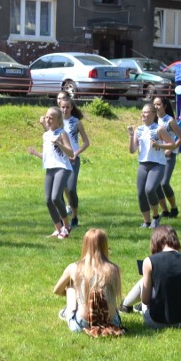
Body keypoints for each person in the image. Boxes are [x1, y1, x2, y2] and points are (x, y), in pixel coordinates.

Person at [120, 225, 181, 329]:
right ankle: (125, 304)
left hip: (157, 322)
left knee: (144, 281)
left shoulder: (150, 261)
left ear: (156, 241)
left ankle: (125, 305)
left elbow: (145, 300)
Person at [54, 228, 123, 335]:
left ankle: (69, 311)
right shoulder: (114, 269)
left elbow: (57, 290)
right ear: (104, 245)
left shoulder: (74, 268)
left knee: (71, 284)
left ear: (85, 245)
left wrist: (77, 294)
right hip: (113, 322)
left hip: (82, 325)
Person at [28, 107, 76, 239]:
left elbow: (71, 153)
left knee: (56, 197)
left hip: (62, 168)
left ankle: (67, 227)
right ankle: (58, 229)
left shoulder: (62, 134)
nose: (48, 120)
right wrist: (35, 153)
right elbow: (48, 155)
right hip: (50, 168)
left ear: (58, 120)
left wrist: (60, 144)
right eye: (47, 117)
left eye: (51, 118)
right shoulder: (46, 135)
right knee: (48, 200)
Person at [128, 104, 175, 228]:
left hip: (158, 164)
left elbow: (172, 144)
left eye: (145, 112)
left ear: (153, 114)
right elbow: (132, 150)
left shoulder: (159, 129)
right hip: (143, 164)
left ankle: (155, 216)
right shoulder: (139, 130)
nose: (142, 114)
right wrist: (131, 136)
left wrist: (159, 146)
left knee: (149, 189)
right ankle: (147, 221)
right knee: (140, 194)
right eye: (142, 112)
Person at [58, 98, 90, 229]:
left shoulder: (76, 122)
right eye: (62, 107)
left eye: (67, 107)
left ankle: (75, 216)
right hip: (60, 159)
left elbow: (86, 142)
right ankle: (61, 219)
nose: (65, 110)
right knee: (59, 190)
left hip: (73, 160)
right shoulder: (56, 122)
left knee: (71, 189)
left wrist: (76, 153)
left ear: (71, 108)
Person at [154, 96, 181, 217]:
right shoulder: (154, 120)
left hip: (168, 156)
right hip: (156, 155)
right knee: (155, 184)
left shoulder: (169, 120)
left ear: (165, 106)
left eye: (158, 104)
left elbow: (180, 138)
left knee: (164, 183)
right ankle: (165, 210)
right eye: (154, 104)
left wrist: (170, 150)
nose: (156, 107)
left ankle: (174, 208)